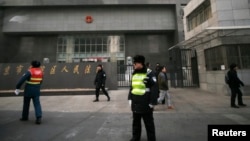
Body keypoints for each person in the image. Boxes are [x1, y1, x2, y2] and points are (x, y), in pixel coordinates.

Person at [128, 55, 157, 141]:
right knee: (135, 123)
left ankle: (151, 139)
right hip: (135, 103)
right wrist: (130, 98)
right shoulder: (134, 73)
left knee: (149, 123)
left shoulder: (149, 73)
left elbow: (154, 88)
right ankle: (135, 138)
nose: (134, 64)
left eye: (135, 63)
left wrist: (153, 102)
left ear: (140, 63)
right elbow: (132, 86)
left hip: (145, 103)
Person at [15, 60, 43, 124]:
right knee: (37, 104)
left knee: (26, 104)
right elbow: (41, 81)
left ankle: (25, 117)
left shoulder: (29, 71)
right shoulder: (41, 72)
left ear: (32, 65)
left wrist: (17, 87)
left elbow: (21, 80)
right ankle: (38, 117)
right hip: (36, 90)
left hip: (28, 90)